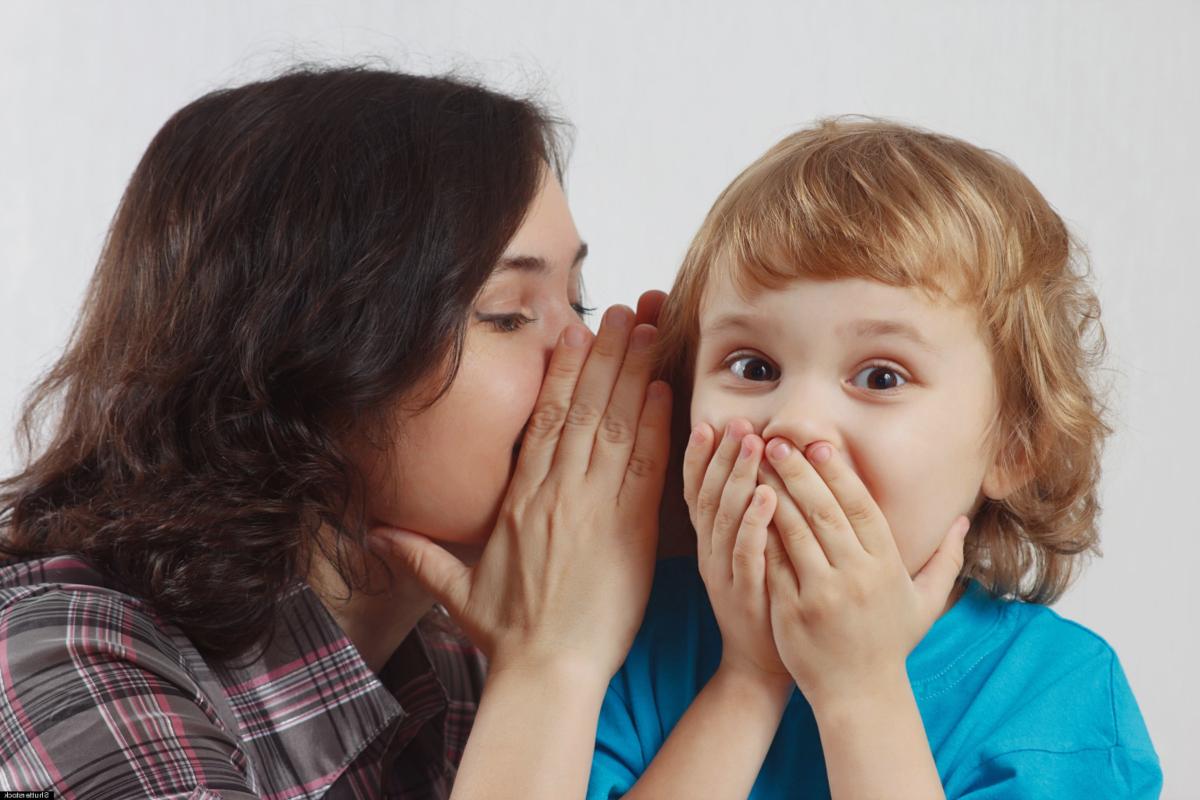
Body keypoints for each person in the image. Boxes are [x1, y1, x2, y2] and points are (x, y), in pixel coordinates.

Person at [0, 66, 673, 799]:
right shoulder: (62, 659)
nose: (587, 356)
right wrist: (552, 664)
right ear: (307, 360)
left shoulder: (452, 659)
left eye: (578, 300)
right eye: (508, 314)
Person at [588, 118, 1163, 798]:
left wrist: (861, 690)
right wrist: (748, 680)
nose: (795, 422)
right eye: (754, 365)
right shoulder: (626, 637)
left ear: (1013, 446)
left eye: (881, 377)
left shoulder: (1059, 695)